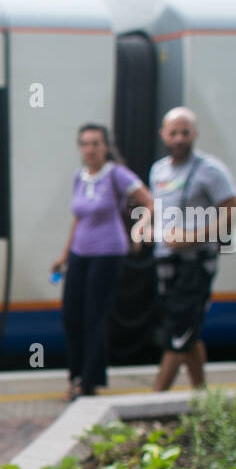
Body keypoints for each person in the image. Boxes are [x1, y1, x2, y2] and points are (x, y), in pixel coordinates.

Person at [137, 107, 236, 391]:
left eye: (185, 132)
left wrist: (194, 236)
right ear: (163, 135)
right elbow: (159, 208)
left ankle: (155, 399)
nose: (179, 138)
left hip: (195, 264)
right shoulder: (158, 170)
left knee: (178, 333)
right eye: (173, 133)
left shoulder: (211, 170)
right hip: (166, 263)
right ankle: (203, 397)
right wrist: (146, 228)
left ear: (194, 134)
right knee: (188, 331)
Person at [51, 124, 153, 400]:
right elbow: (78, 218)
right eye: (85, 144)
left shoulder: (116, 175)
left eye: (96, 143)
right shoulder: (79, 178)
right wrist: (64, 255)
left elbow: (149, 202)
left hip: (108, 252)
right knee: (71, 315)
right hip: (80, 253)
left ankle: (89, 381)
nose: (90, 149)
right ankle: (75, 376)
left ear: (106, 146)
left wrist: (139, 229)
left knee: (94, 315)